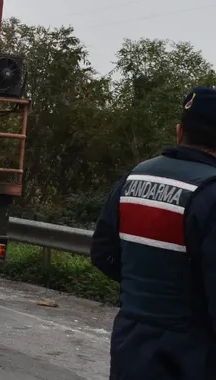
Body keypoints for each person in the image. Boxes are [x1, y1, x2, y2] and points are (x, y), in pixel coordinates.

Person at [91, 86, 216, 380]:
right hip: (192, 356)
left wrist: (147, 290)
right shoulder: (211, 192)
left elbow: (103, 253)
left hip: (131, 348)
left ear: (179, 132)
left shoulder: (134, 177)